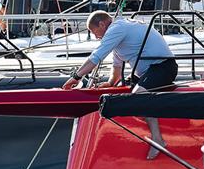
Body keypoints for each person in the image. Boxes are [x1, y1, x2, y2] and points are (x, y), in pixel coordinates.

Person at [62, 11, 177, 160]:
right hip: (147, 71)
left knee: (139, 94)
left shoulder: (117, 28)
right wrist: (110, 83)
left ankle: (158, 139)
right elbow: (117, 67)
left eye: (94, 32)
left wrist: (76, 77)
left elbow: (96, 56)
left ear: (102, 24)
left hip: (163, 67)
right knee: (122, 92)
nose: (96, 37)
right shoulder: (119, 34)